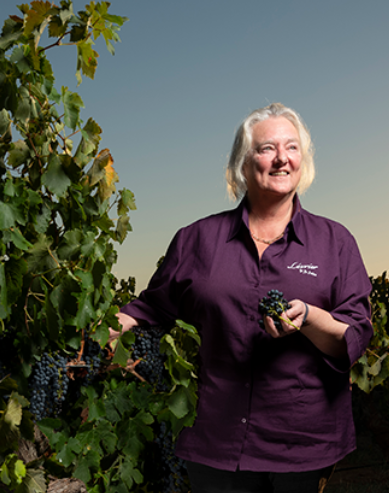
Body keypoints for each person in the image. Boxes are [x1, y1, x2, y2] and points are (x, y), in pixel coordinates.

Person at [115, 103, 373, 493]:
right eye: (267, 148)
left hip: (302, 444)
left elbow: (354, 335)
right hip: (214, 440)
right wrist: (114, 327)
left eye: (292, 147)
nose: (281, 158)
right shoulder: (196, 239)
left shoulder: (335, 242)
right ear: (242, 162)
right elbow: (154, 307)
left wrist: (309, 317)